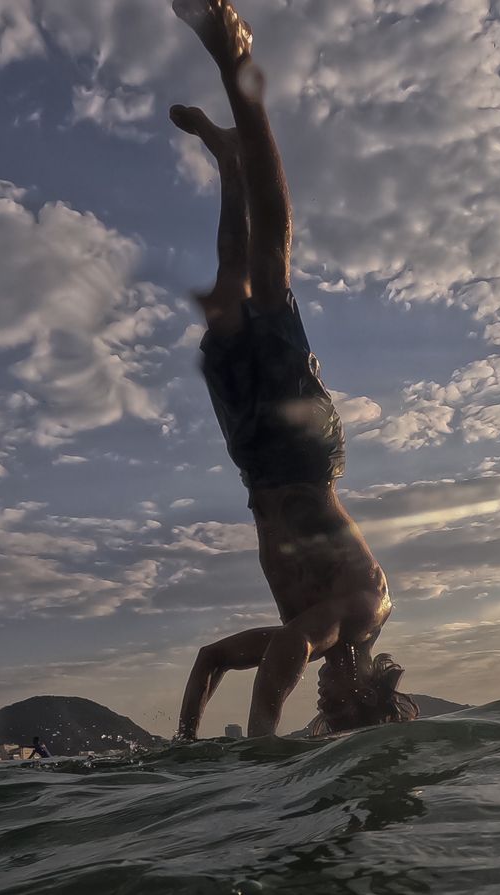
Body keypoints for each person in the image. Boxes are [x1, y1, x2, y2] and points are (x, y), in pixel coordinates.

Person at [168, 0, 417, 741]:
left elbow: (212, 657)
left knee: (225, 301)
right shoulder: (365, 608)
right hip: (305, 453)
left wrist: (184, 740)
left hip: (253, 463)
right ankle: (236, 63)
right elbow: (289, 648)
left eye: (325, 705)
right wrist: (263, 751)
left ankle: (227, 164)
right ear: (368, 688)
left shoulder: (307, 626)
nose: (327, 694)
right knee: (269, 279)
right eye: (339, 701)